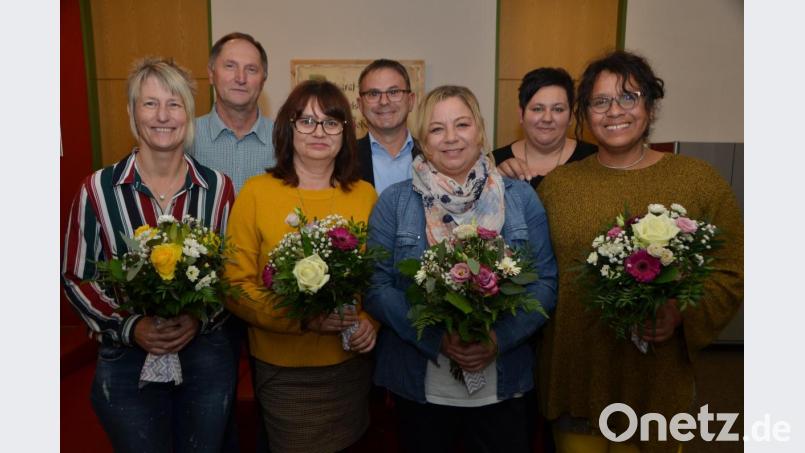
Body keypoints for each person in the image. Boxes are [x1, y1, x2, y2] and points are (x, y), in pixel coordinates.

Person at [537, 50, 743, 453]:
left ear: (650, 104)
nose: (614, 111)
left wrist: (680, 312)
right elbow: (540, 274)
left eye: (628, 97)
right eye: (600, 101)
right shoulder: (558, 186)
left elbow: (731, 268)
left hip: (656, 379)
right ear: (585, 112)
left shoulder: (697, 180)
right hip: (579, 375)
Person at [365, 85, 558, 453]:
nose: (451, 138)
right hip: (420, 390)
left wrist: (497, 340)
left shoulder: (520, 198)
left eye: (462, 125)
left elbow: (545, 283)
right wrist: (437, 338)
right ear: (423, 140)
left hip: (503, 387)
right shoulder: (394, 202)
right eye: (437, 129)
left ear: (480, 131)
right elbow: (376, 286)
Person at [61, 58, 237, 452]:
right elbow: (76, 275)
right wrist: (130, 326)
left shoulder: (218, 189)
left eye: (174, 104)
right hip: (126, 356)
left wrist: (198, 317)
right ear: (131, 111)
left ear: (189, 114)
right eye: (150, 103)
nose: (162, 116)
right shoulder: (97, 190)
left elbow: (230, 273)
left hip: (203, 353)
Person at [224, 80, 379, 453]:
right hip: (283, 367)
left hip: (350, 362)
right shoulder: (257, 192)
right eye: (306, 121)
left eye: (331, 122)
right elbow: (234, 285)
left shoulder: (365, 195)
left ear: (345, 132)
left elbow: (379, 279)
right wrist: (303, 319)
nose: (319, 132)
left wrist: (371, 322)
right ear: (287, 128)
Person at [190, 32, 275, 193]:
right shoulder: (186, 136)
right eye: (230, 66)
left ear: (263, 80)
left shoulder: (285, 139)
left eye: (251, 69)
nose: (240, 78)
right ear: (211, 74)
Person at [494, 67, 596, 188]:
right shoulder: (493, 164)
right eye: (538, 109)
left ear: (570, 117)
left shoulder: (595, 159)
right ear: (521, 115)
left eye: (558, 109)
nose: (547, 118)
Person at [356, 58, 421, 194]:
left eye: (394, 92)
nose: (384, 102)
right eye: (374, 94)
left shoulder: (433, 156)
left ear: (411, 101)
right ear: (360, 105)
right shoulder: (343, 160)